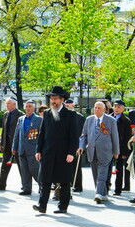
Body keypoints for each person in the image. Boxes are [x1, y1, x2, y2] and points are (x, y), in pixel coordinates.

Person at [34, 86, 80, 214]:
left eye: (55, 99)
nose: (53, 101)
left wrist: (71, 152)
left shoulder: (70, 114)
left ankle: (63, 206)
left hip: (64, 154)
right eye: (51, 98)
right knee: (45, 180)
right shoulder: (48, 113)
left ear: (62, 100)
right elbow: (42, 133)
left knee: (64, 181)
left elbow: (73, 136)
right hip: (48, 152)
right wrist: (38, 150)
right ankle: (42, 205)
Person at [79, 101, 119, 203]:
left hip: (106, 151)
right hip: (92, 151)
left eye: (99, 108)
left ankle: (98, 194)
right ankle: (103, 193)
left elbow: (115, 137)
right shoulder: (89, 119)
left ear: (104, 109)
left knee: (102, 174)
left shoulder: (111, 120)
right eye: (95, 107)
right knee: (95, 174)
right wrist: (81, 146)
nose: (96, 110)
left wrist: (116, 151)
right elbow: (84, 135)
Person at [12, 100, 42, 195]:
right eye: (27, 106)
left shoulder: (39, 119)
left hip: (33, 150)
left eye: (30, 106)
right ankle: (26, 188)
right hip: (22, 149)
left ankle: (42, 187)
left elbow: (41, 136)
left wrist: (40, 149)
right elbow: (17, 134)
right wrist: (14, 147)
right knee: (24, 170)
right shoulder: (21, 119)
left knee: (35, 170)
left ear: (34, 108)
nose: (28, 108)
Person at [0, 98, 23, 191]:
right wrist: (2, 143)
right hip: (7, 144)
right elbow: (4, 130)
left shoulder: (20, 115)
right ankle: (1, 184)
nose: (7, 105)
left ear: (14, 104)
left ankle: (26, 186)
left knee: (21, 166)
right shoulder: (6, 114)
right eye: (6, 104)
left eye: (8, 103)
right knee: (4, 165)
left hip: (17, 144)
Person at [64, 98, 86, 192]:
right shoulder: (63, 116)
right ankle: (67, 184)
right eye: (67, 106)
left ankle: (77, 186)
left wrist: (81, 146)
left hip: (76, 145)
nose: (68, 107)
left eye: (70, 106)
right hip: (65, 145)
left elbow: (83, 133)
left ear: (73, 106)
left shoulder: (80, 117)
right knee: (66, 166)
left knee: (76, 166)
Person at [111, 100, 132, 195]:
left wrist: (125, 153)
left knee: (119, 169)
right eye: (115, 106)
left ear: (123, 109)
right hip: (108, 148)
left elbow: (127, 138)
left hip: (120, 148)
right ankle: (106, 187)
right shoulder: (108, 117)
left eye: (119, 107)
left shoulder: (126, 121)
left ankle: (118, 189)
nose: (116, 108)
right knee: (107, 169)